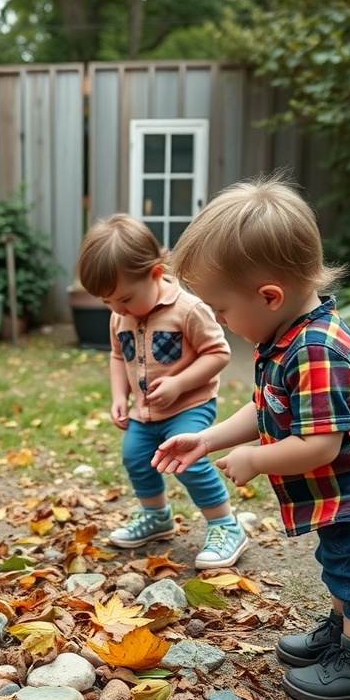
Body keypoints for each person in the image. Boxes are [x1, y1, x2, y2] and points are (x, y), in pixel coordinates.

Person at [151, 174, 350, 700]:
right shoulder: (287, 335)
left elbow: (319, 445)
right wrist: (207, 439)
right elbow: (265, 408)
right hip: (339, 498)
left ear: (269, 295)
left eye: (220, 311)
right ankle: (342, 636)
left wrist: (255, 458)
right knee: (338, 561)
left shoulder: (317, 350)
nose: (219, 322)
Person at [77, 213, 248, 569]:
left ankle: (225, 525)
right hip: (145, 410)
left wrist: (178, 383)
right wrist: (117, 397)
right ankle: (157, 517)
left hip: (190, 405)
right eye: (108, 302)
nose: (117, 309)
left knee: (189, 462)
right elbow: (116, 354)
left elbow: (218, 353)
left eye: (124, 298)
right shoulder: (118, 315)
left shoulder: (188, 309)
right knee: (136, 456)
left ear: (155, 273)